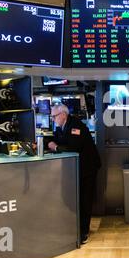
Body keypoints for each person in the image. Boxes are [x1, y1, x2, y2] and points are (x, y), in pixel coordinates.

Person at [47, 104, 101, 244]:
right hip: (77, 168)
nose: (53, 119)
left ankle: (83, 232)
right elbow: (56, 139)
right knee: (75, 199)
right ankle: (76, 227)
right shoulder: (62, 126)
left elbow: (73, 147)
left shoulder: (76, 126)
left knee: (84, 199)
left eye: (54, 116)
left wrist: (56, 147)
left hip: (87, 168)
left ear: (63, 115)